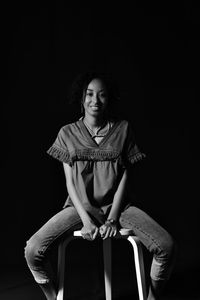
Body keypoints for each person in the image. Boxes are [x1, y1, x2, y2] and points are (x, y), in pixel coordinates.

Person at [24, 71, 176, 300]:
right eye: (89, 94)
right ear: (81, 98)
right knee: (33, 250)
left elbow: (126, 176)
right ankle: (52, 298)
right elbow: (70, 183)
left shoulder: (123, 129)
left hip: (119, 207)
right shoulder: (67, 133)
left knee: (166, 246)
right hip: (79, 208)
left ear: (109, 99)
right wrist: (85, 221)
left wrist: (113, 218)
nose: (95, 101)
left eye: (102, 95)